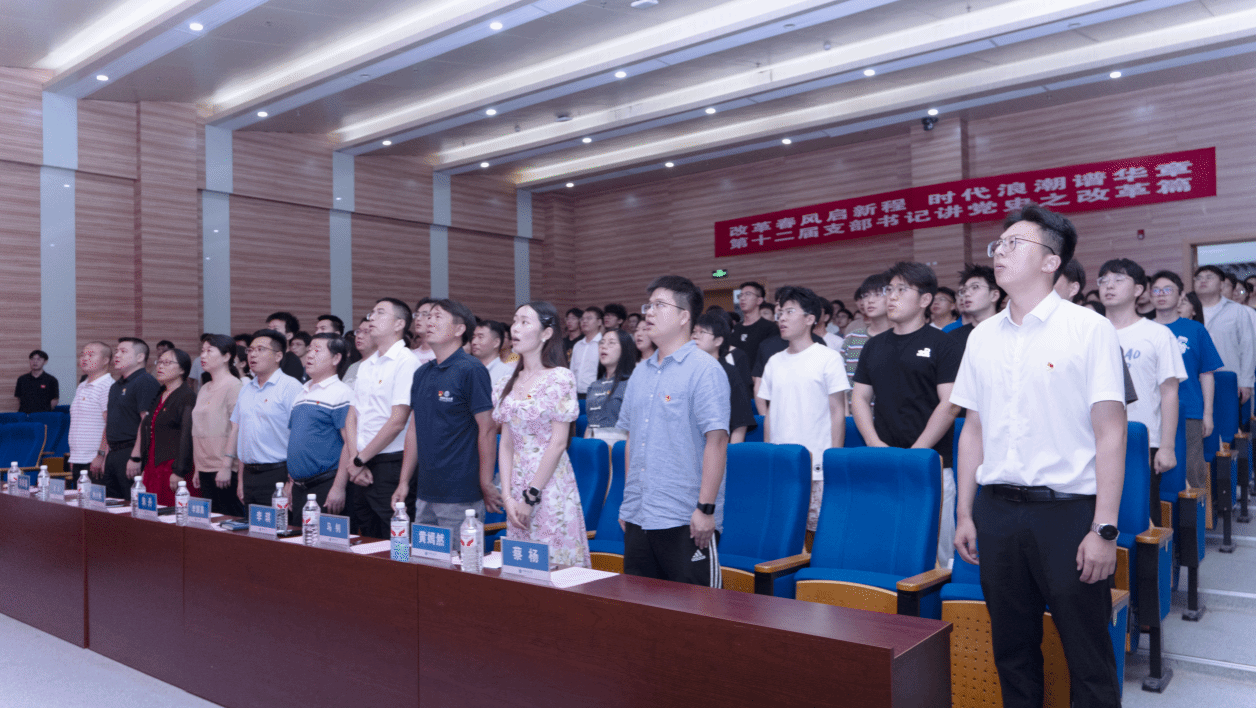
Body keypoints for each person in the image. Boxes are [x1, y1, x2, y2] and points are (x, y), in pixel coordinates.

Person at [952, 204, 1126, 708]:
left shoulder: (1088, 328)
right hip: (997, 511)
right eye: (998, 244)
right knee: (1012, 649)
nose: (999, 252)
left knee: (1087, 653)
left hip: (1067, 514)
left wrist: (1104, 529)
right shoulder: (981, 336)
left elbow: (1111, 433)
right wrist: (965, 513)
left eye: (1014, 244)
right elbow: (973, 429)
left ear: (1051, 261)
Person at [618, 275, 730, 587]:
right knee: (640, 607)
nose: (649, 313)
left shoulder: (705, 370)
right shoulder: (640, 373)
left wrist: (705, 509)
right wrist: (628, 503)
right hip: (639, 514)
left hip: (686, 518)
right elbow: (631, 441)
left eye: (659, 305)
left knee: (696, 610)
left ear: (684, 317)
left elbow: (717, 442)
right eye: (648, 306)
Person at [852, 262, 962, 566]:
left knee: (937, 553)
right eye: (889, 289)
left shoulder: (944, 344)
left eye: (902, 290)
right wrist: (874, 443)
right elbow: (859, 398)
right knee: (887, 543)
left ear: (925, 299)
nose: (891, 296)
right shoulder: (874, 346)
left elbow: (950, 403)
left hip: (931, 463)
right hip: (884, 460)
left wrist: (917, 451)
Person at [491, 301, 589, 567]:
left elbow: (558, 444)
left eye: (525, 322)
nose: (515, 328)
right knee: (524, 568)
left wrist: (530, 496)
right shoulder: (505, 382)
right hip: (517, 486)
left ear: (546, 333)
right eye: (514, 321)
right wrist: (508, 497)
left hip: (549, 484)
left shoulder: (559, 378)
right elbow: (506, 444)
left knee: (556, 567)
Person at [398, 299, 499, 533]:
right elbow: (413, 429)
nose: (429, 322)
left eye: (438, 317)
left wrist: (486, 482)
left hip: (460, 492)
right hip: (425, 490)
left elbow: (487, 428)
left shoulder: (471, 369)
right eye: (428, 317)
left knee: (460, 556)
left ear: (459, 329)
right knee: (423, 553)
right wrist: (403, 481)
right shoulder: (422, 372)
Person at [756, 286, 850, 533]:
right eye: (780, 313)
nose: (782, 318)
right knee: (783, 532)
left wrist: (833, 460)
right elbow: (770, 414)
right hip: (782, 462)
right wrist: (769, 455)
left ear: (810, 319)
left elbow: (838, 412)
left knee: (819, 533)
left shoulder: (828, 358)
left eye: (789, 312)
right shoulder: (774, 361)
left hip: (817, 464)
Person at [1098, 259, 1185, 519]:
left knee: (1140, 518)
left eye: (1118, 280)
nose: (1109, 286)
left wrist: (1166, 446)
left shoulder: (1157, 334)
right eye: (1103, 280)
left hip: (1141, 440)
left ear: (1138, 290)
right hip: (1092, 440)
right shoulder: (1089, 332)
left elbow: (1169, 393)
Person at [347, 298, 420, 537]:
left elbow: (398, 421)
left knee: (397, 537)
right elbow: (352, 416)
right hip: (361, 464)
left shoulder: (407, 362)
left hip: (391, 464)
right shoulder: (366, 365)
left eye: (380, 313)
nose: (372, 318)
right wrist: (356, 460)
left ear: (399, 324)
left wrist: (359, 461)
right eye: (372, 313)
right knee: (368, 537)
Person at [1150, 272, 1222, 496]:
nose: (1161, 294)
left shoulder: (1195, 330)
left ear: (1181, 295)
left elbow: (1207, 374)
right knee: (1153, 474)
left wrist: (1207, 414)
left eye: (1168, 290)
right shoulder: (1144, 329)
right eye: (1156, 290)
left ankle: (1196, 518)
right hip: (1151, 411)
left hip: (1189, 409)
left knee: (1192, 469)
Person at [228, 330, 303, 511]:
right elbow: (243, 436)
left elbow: (299, 436)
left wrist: (292, 481)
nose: (252, 354)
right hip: (249, 475)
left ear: (278, 356)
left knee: (277, 527)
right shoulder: (246, 389)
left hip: (278, 475)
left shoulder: (290, 387)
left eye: (260, 349)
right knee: (252, 526)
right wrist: (241, 480)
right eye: (250, 350)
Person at [288, 333, 353, 512]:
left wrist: (339, 487)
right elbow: (295, 442)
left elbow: (350, 443)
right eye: (309, 350)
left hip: (326, 485)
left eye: (317, 350)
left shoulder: (342, 393)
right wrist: (290, 482)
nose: (309, 355)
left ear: (336, 358)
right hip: (299, 486)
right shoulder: (301, 393)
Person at [132, 348, 195, 507]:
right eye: (159, 362)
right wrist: (145, 465)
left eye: (167, 363)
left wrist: (179, 471)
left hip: (172, 467)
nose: (160, 366)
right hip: (153, 465)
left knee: (171, 512)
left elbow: (187, 434)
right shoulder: (160, 394)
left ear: (182, 369)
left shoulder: (186, 396)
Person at [100, 338, 161, 500]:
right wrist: (106, 456)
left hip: (131, 452)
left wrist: (136, 457)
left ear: (140, 357)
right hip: (113, 454)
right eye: (117, 351)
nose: (117, 355)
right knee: (111, 505)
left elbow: (146, 422)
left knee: (132, 504)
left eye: (123, 351)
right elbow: (111, 423)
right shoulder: (115, 386)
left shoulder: (145, 381)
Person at [192, 335, 244, 516]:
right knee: (209, 521)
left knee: (227, 519)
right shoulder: (204, 387)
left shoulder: (234, 386)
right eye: (202, 351)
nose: (203, 356)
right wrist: (198, 468)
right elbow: (198, 429)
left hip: (224, 467)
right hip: (204, 466)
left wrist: (227, 466)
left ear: (226, 356)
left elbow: (237, 428)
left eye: (209, 351)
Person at [1193, 265, 1256, 404]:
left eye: (1209, 277)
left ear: (1221, 284)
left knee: (1228, 417)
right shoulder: (1186, 310)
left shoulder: (1237, 310)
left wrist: (1246, 382)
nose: (1203, 280)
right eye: (1198, 278)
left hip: (1228, 379)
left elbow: (1248, 348)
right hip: (1192, 382)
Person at [692, 311, 756, 444]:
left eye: (702, 332)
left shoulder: (730, 373)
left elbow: (740, 423)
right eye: (694, 332)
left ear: (718, 340)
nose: (695, 336)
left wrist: (732, 454)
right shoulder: (687, 372)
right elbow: (668, 399)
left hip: (719, 447)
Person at [68, 342, 113, 487]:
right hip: (79, 459)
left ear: (105, 360)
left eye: (91, 355)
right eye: (83, 354)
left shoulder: (107, 386)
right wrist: (74, 457)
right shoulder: (82, 385)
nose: (84, 358)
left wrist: (101, 455)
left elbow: (110, 424)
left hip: (95, 459)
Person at [585, 329, 641, 444]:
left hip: (619, 445)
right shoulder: (593, 386)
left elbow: (637, 426)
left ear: (625, 349)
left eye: (611, 343)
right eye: (602, 342)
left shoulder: (632, 384)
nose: (604, 346)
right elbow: (590, 424)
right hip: (593, 445)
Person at [839, 272, 891, 380]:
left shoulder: (902, 336)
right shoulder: (852, 338)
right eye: (866, 296)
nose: (870, 301)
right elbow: (843, 379)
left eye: (878, 294)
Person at [952, 263, 1004, 352]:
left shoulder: (1010, 332)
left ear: (994, 295)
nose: (966, 294)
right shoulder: (954, 338)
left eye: (975, 287)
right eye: (964, 290)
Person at [731, 282, 776, 371]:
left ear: (759, 300)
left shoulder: (770, 328)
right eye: (741, 295)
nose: (742, 298)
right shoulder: (736, 328)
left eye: (748, 294)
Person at [471, 319, 517, 387]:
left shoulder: (507, 373)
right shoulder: (468, 369)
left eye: (480, 337)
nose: (474, 342)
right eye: (473, 337)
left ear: (496, 343)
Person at [571, 306, 604, 397]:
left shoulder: (603, 344)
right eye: (582, 319)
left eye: (589, 318)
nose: (584, 321)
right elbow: (572, 370)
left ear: (599, 322)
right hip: (576, 394)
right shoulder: (577, 345)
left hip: (596, 394)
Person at [266, 311, 308, 382]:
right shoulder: (268, 356)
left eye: (275, 329)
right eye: (269, 328)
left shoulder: (292, 361)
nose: (269, 332)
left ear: (289, 336)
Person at [343, 317, 371, 388]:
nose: (359, 336)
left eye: (366, 332)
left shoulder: (384, 366)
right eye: (358, 331)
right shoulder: (353, 366)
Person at [411, 298, 438, 366]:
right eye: (417, 315)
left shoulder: (443, 356)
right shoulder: (410, 355)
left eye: (424, 314)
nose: (418, 319)